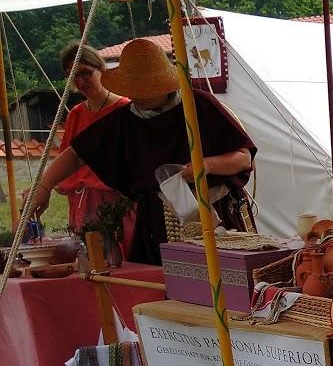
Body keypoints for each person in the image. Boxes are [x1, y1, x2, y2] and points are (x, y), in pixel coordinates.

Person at [26, 38, 255, 265]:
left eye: (144, 89)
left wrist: (206, 165)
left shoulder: (199, 105)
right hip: (157, 225)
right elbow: (76, 155)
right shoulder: (124, 119)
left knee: (227, 281)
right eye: (132, 89)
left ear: (164, 85)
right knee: (160, 286)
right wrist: (43, 188)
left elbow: (244, 158)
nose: (136, 95)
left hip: (216, 216)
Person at [53, 41, 135, 254]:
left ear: (102, 70)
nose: (80, 81)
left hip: (117, 202)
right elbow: (66, 161)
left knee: (121, 259)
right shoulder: (76, 114)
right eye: (73, 76)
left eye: (85, 73)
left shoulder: (124, 109)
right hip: (83, 202)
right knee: (89, 260)